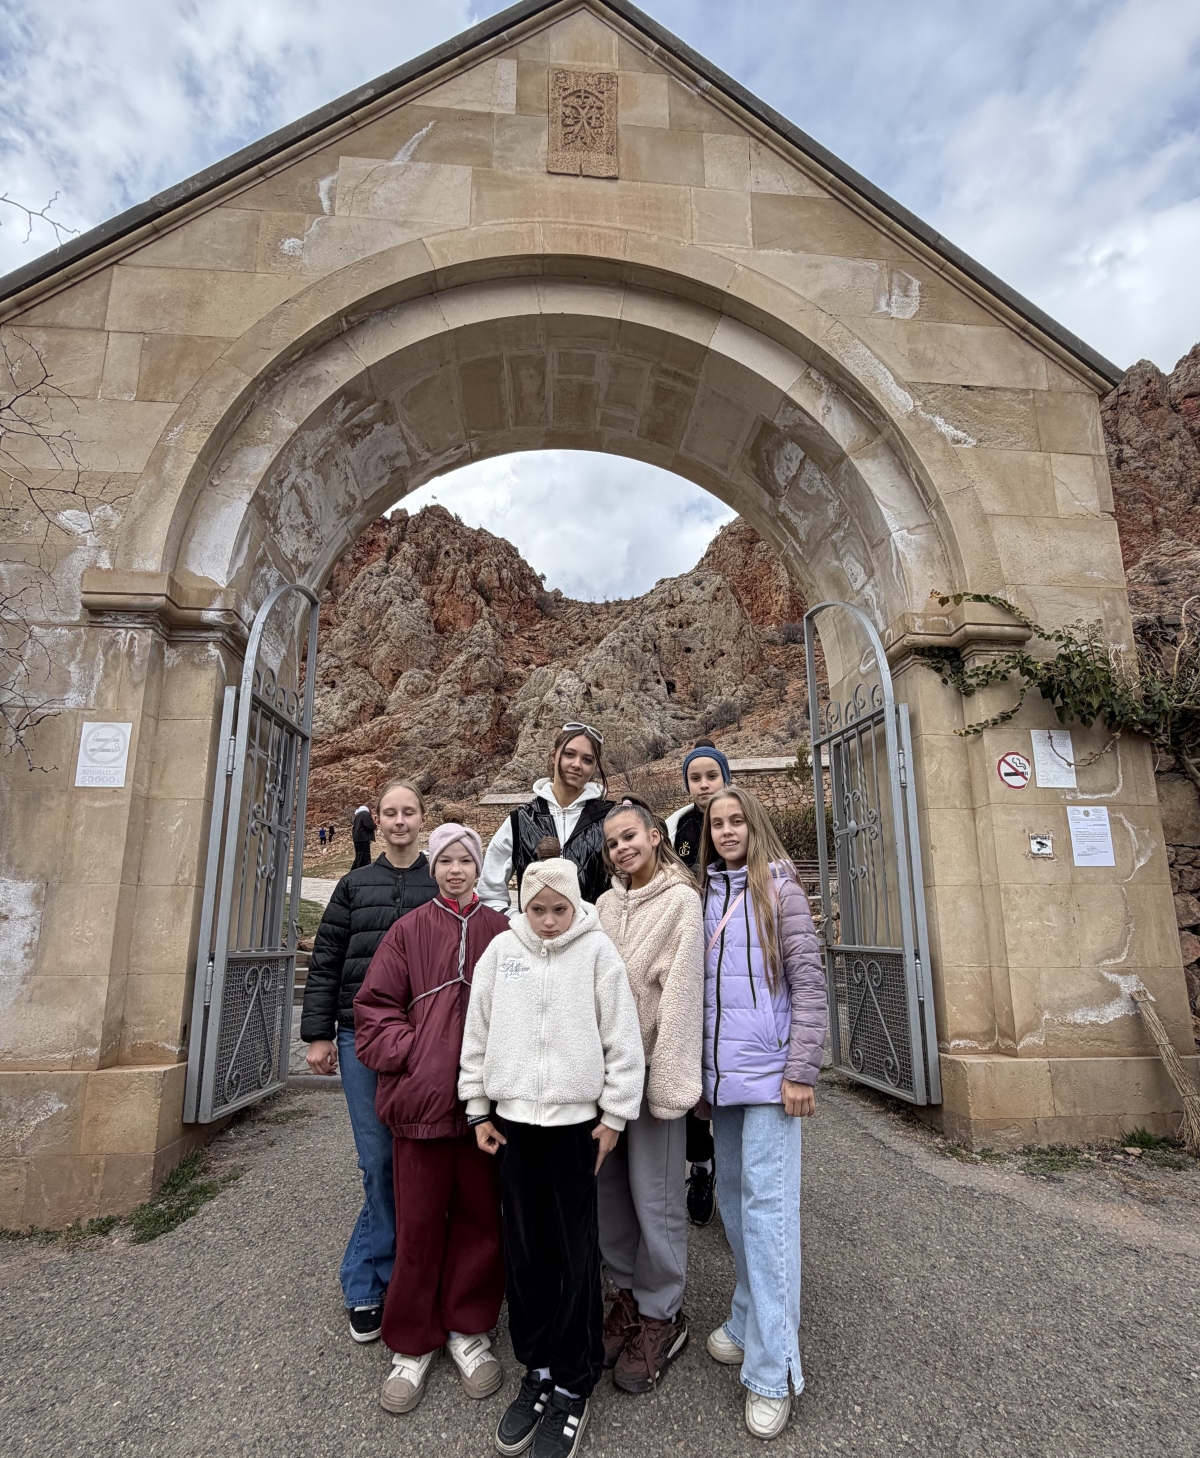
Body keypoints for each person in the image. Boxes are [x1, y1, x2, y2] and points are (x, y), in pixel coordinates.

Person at [460, 842, 644, 1458]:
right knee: (527, 1249)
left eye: (557, 909)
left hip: (574, 1128)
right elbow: (477, 1030)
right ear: (522, 905)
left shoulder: (596, 953)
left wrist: (615, 1114)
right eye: (536, 908)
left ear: (574, 906)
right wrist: (478, 1107)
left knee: (574, 1250)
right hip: (513, 1124)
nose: (546, 920)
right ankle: (536, 1368)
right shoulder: (501, 952)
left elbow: (622, 1038)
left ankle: (573, 1380)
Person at [354, 824, 511, 1415]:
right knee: (417, 1225)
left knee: (479, 1222)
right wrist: (415, 1056)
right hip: (420, 1109)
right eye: (443, 860)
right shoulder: (408, 930)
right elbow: (373, 1009)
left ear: (478, 869)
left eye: (464, 861)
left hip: (484, 1113)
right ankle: (412, 1342)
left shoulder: (502, 932)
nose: (454, 870)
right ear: (432, 869)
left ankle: (468, 1329)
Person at [697, 786, 827, 1441]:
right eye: (717, 823)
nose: (726, 830)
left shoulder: (782, 892)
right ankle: (748, 1315)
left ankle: (774, 1371)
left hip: (775, 1080)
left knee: (769, 1216)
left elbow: (809, 984)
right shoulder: (705, 897)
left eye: (736, 820)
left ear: (755, 824)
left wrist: (802, 1070)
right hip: (723, 1085)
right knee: (734, 1202)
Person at [300, 781, 437, 1343]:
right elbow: (328, 960)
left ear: (423, 819)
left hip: (427, 1040)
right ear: (377, 822)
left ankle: (419, 1274)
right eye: (390, 813)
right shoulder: (354, 885)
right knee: (378, 1161)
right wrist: (317, 1036)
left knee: (423, 1161)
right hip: (359, 1038)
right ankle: (366, 1281)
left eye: (409, 812)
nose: (400, 821)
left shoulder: (441, 880)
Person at [595, 797, 704, 1395]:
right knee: (609, 1193)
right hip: (606, 1080)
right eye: (612, 843)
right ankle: (627, 1297)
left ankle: (663, 1311)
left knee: (656, 1198)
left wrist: (669, 1085)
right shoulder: (604, 906)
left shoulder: (681, 902)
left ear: (656, 836)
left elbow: (683, 998)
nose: (621, 849)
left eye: (630, 836)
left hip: (654, 1078)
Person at [664, 737, 732, 1226]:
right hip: (691, 953)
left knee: (728, 1074)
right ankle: (702, 1167)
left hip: (735, 959)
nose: (704, 784)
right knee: (692, 1077)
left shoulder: (739, 818)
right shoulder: (679, 826)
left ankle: (735, 1177)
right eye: (696, 777)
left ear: (725, 777)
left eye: (711, 775)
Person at [479, 724, 614, 915]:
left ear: (594, 767)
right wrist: (517, 924)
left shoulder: (610, 819)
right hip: (534, 943)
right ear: (553, 756)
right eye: (569, 754)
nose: (577, 764)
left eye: (587, 759)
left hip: (592, 939)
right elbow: (490, 894)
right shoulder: (521, 820)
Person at [352, 803, 376, 869]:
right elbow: (369, 826)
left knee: (359, 858)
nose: (373, 812)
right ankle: (362, 874)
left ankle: (353, 874)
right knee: (364, 859)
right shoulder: (365, 814)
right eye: (373, 810)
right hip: (363, 839)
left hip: (357, 839)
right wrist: (375, 824)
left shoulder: (358, 815)